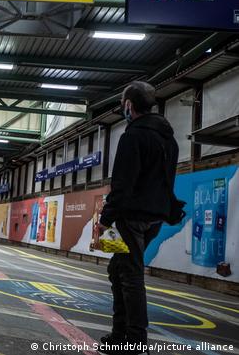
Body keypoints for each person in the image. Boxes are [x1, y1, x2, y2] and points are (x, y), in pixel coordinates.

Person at [97, 82, 178, 355]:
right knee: (118, 271)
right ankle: (120, 334)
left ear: (129, 105)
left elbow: (122, 183)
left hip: (130, 218)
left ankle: (133, 341)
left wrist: (105, 219)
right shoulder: (169, 138)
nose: (122, 108)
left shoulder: (132, 136)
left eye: (123, 103)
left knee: (130, 276)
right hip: (155, 217)